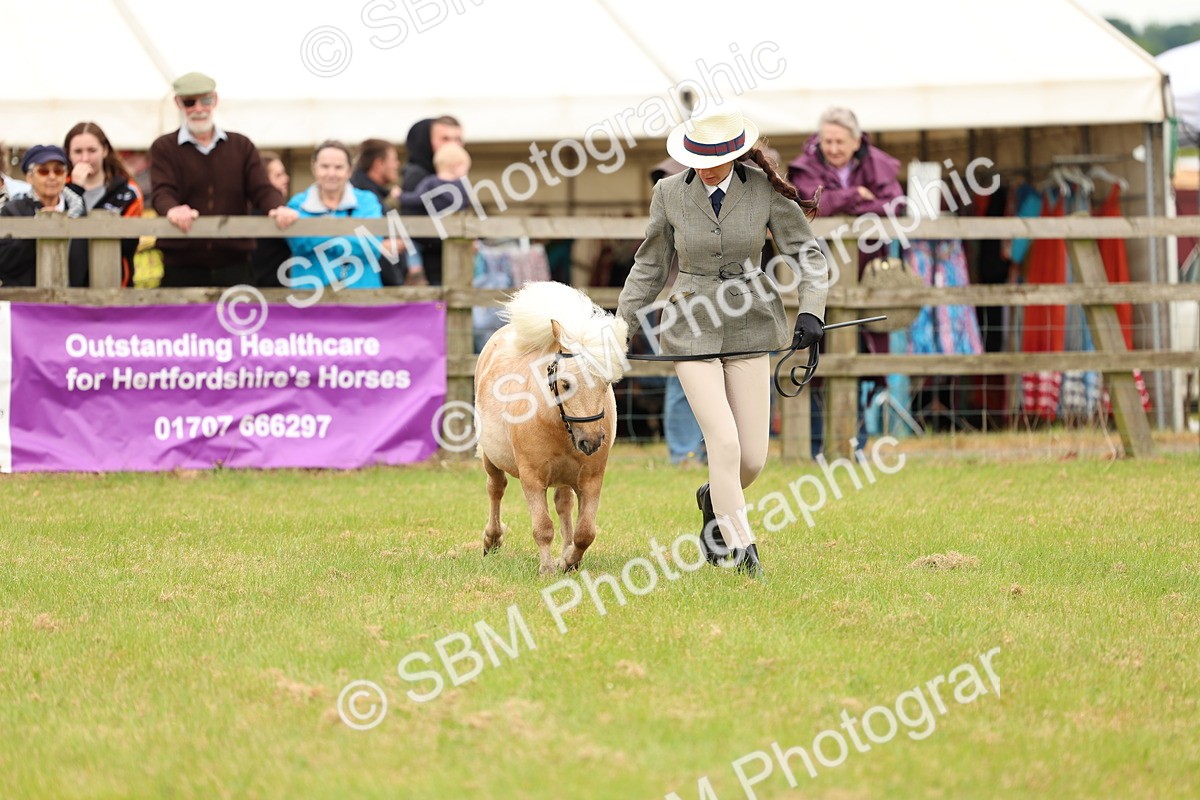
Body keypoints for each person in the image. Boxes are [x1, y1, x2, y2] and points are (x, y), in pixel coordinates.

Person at [616, 103, 828, 578]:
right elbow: (650, 265)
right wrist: (621, 324)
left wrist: (812, 310)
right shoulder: (668, 192)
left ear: (734, 153)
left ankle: (713, 500)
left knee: (751, 458)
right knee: (724, 443)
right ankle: (743, 549)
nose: (704, 165)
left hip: (751, 319)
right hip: (690, 322)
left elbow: (808, 255)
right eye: (696, 155)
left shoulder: (764, 192)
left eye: (713, 156)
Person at [789, 107, 905, 456]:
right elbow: (808, 203)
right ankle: (812, 446)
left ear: (856, 141)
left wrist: (842, 203)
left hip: (865, 277)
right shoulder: (806, 165)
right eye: (827, 141)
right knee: (814, 358)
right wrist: (859, 197)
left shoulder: (877, 164)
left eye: (840, 141)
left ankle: (854, 444)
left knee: (860, 357)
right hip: (816, 277)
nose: (834, 147)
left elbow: (895, 205)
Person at [149, 71, 297, 286]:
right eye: (190, 102)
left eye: (205, 100)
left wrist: (276, 206)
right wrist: (172, 209)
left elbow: (261, 188)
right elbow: (162, 191)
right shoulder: (164, 147)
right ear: (178, 103)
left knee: (240, 319)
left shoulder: (242, 145)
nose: (198, 108)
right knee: (185, 320)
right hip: (182, 264)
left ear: (215, 100)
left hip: (235, 264)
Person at [284, 140, 389, 290]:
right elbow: (298, 243)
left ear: (349, 170)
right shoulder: (297, 203)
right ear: (314, 168)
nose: (331, 173)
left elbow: (371, 245)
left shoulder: (367, 201)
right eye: (325, 166)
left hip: (362, 296)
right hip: (310, 297)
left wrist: (320, 233)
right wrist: (346, 234)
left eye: (338, 167)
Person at [63, 122, 144, 287]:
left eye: (92, 151)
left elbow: (129, 245)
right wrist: (75, 190)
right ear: (68, 154)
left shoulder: (128, 192)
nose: (85, 158)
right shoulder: (58, 189)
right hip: (65, 286)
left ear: (105, 151)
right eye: (78, 152)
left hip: (113, 284)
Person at [0, 145, 89, 287]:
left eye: (58, 171)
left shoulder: (81, 213)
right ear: (29, 177)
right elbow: (4, 263)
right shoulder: (13, 211)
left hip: (72, 300)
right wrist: (36, 230)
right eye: (43, 171)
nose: (52, 176)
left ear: (66, 176)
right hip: (25, 302)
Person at [400, 115, 464, 285]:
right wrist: (458, 235)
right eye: (445, 139)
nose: (453, 145)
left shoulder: (450, 175)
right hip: (432, 272)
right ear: (428, 141)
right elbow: (415, 225)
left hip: (449, 266)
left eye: (458, 139)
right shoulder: (418, 175)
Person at [252, 151, 294, 288]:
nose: (286, 178)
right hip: (264, 292)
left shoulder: (287, 208)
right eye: (278, 175)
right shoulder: (254, 213)